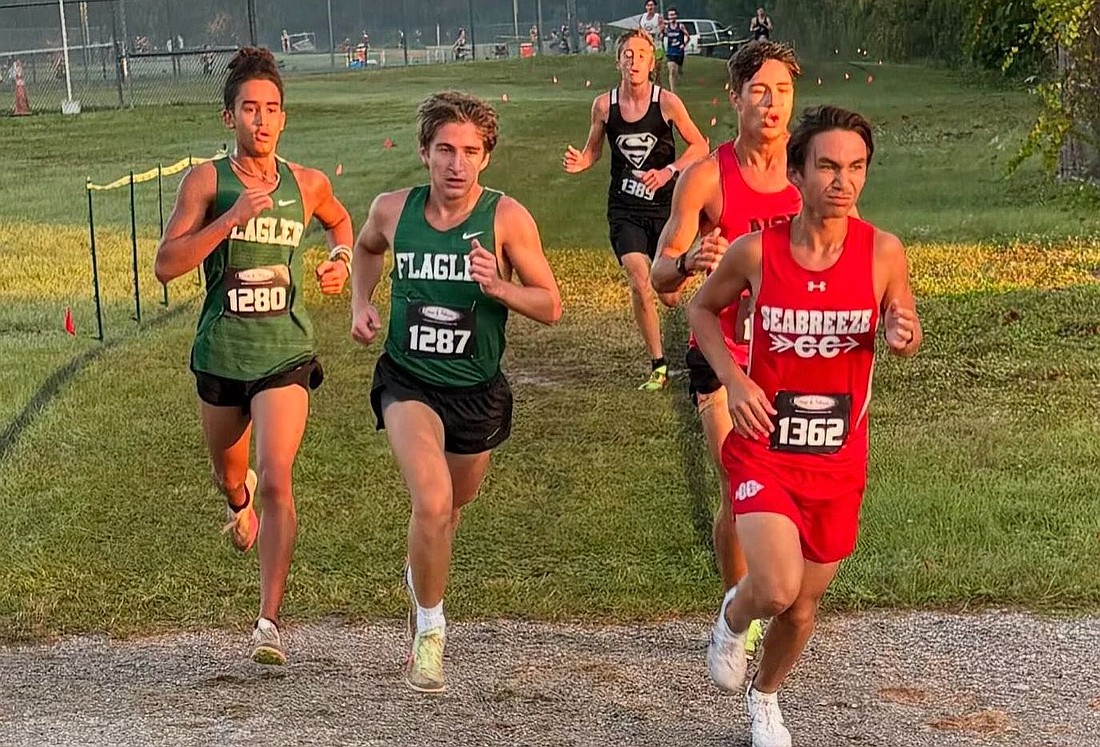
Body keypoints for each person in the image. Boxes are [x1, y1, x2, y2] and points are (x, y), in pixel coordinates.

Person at [687, 104, 922, 747]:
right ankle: (734, 618)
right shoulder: (757, 251)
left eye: (855, 168)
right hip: (765, 446)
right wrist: (735, 383)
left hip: (839, 458)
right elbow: (702, 312)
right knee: (774, 585)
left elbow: (903, 322)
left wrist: (902, 334)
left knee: (802, 607)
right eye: (827, 166)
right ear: (799, 172)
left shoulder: (882, 252)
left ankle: (765, 699)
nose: (842, 181)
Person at [350, 91, 562, 693]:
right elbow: (366, 249)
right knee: (434, 499)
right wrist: (361, 302)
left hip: (477, 391)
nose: (457, 164)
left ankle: (423, 566)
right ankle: (430, 632)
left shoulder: (507, 219)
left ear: (486, 159)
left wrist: (500, 288)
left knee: (451, 508)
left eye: (470, 151)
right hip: (408, 380)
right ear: (424, 153)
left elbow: (550, 304)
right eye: (445, 149)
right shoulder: (394, 210)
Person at [153, 47, 354, 665]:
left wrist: (340, 261)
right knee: (232, 476)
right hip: (220, 353)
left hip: (284, 352)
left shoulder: (307, 183)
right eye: (249, 109)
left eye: (271, 109)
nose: (261, 121)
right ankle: (238, 509)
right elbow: (167, 265)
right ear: (228, 118)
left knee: (277, 473)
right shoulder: (208, 182)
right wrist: (230, 219)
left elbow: (340, 221)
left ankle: (268, 621)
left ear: (283, 119)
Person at [650, 41, 804, 654]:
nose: (771, 105)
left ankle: (758, 598)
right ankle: (740, 616)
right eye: (759, 92)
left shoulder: (807, 171)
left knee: (790, 493)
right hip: (722, 355)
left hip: (791, 353)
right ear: (734, 98)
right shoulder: (707, 176)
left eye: (783, 92)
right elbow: (663, 281)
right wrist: (689, 260)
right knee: (740, 487)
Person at [563, 29, 708, 391]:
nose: (634, 61)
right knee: (639, 277)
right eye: (627, 54)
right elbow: (593, 149)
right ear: (618, 62)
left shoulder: (668, 103)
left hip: (666, 209)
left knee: (670, 295)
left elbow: (700, 145)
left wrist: (668, 171)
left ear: (651, 63)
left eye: (641, 54)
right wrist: (583, 161)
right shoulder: (603, 106)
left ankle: (694, 298)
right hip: (624, 207)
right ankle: (658, 365)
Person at [663, 7, 690, 93]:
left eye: (673, 15)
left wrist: (683, 45)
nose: (672, 17)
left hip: (679, 52)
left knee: (677, 70)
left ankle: (680, 73)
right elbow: (661, 34)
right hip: (671, 52)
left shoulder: (680, 26)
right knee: (671, 70)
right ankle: (672, 92)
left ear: (676, 16)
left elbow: (688, 37)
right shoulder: (667, 27)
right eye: (670, 15)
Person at [638, 0, 665, 83]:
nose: (650, 7)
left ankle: (658, 84)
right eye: (648, 5)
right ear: (646, 7)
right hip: (645, 44)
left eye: (652, 5)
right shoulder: (642, 17)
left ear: (655, 7)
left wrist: (658, 33)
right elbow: (640, 29)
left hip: (656, 44)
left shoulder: (658, 17)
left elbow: (662, 28)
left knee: (657, 66)